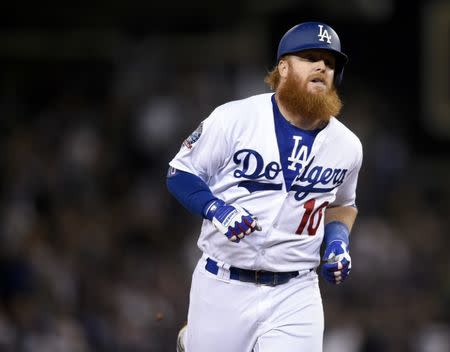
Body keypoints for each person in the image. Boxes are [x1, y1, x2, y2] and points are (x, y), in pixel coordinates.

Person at [167, 21, 362, 352]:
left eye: (329, 63)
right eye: (310, 57)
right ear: (283, 68)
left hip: (296, 291)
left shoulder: (348, 145)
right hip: (223, 284)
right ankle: (196, 337)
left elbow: (342, 205)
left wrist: (337, 243)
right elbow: (180, 173)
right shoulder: (235, 118)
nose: (321, 66)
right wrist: (217, 209)